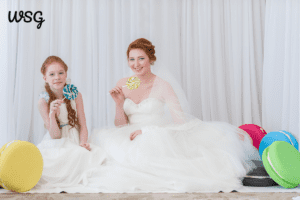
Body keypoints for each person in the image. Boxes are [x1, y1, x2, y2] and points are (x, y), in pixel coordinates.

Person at [87, 38, 261, 193]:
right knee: (109, 145)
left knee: (146, 156)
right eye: (132, 59)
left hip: (155, 133)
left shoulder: (163, 85)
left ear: (151, 60)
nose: (136, 64)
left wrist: (147, 131)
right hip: (128, 133)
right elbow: (120, 126)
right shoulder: (124, 84)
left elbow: (180, 122)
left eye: (141, 58)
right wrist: (118, 104)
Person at [34, 56, 107, 192]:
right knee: (50, 165)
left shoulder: (76, 95)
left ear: (66, 74)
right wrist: (51, 114)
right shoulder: (43, 101)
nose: (57, 77)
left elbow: (83, 125)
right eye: (52, 74)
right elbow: (55, 136)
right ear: (45, 78)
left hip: (75, 139)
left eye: (61, 73)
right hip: (56, 142)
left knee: (86, 156)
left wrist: (83, 142)